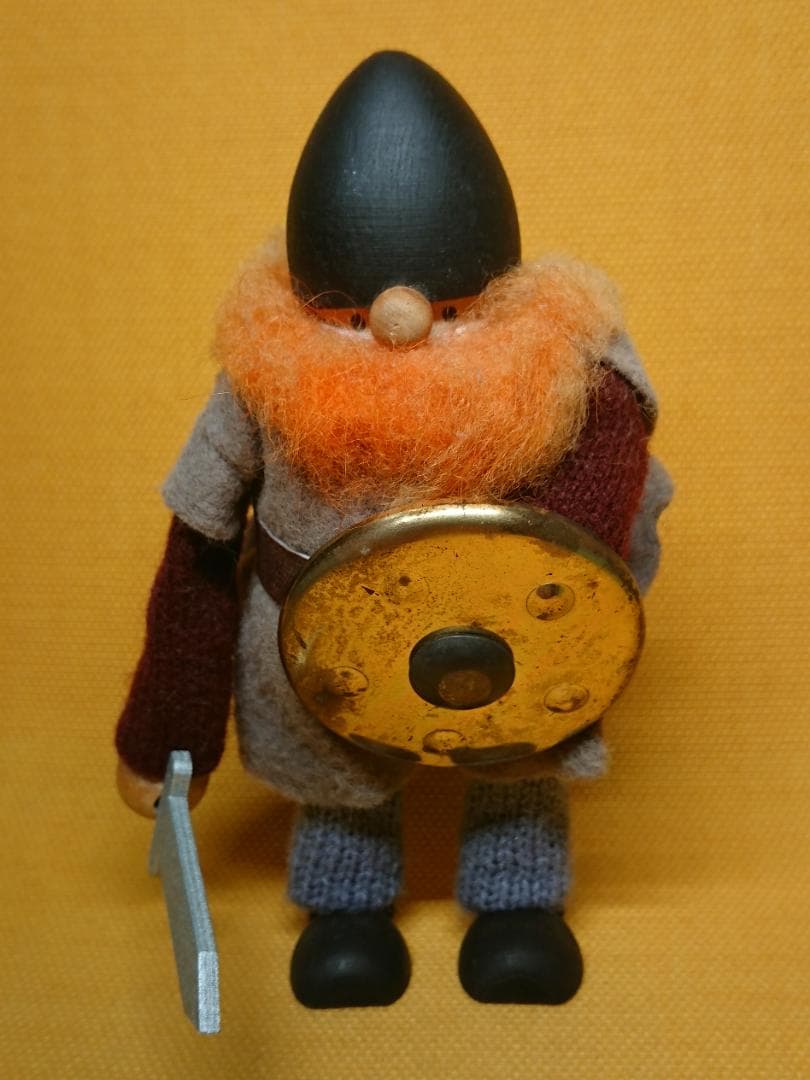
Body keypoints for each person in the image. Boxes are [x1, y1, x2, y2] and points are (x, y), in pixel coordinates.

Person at [116, 51, 672, 1009]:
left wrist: (566, 555)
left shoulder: (565, 375)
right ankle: (347, 913)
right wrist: (168, 732)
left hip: (519, 647)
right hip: (322, 657)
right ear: (309, 301)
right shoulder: (264, 382)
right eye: (351, 316)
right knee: (338, 773)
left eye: (452, 310)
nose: (404, 324)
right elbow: (199, 552)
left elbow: (614, 507)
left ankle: (517, 908)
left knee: (517, 763)